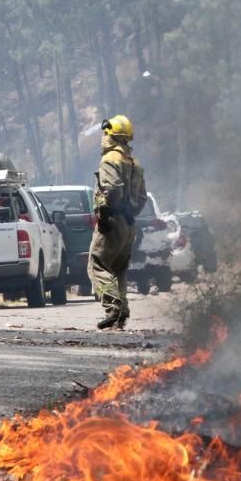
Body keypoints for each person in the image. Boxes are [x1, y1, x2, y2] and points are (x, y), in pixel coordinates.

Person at [87, 114, 146, 330]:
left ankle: (112, 307)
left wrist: (105, 213)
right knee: (119, 267)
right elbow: (142, 198)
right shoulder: (134, 163)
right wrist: (130, 214)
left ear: (111, 136)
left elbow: (111, 190)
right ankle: (121, 315)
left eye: (105, 134)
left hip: (112, 221)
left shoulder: (110, 159)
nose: (102, 138)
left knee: (97, 262)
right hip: (129, 224)